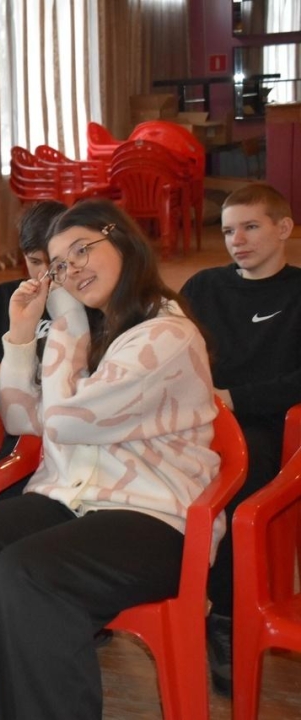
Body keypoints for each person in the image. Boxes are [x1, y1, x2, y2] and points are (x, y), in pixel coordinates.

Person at [0, 200, 221, 720]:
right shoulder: (93, 327)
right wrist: (19, 336)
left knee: (26, 574)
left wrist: (65, 323)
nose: (71, 268)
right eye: (58, 263)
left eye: (82, 250)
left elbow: (65, 422)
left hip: (153, 517)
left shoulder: (167, 334)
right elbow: (20, 419)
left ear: (121, 241)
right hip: (70, 498)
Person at [179, 182, 301, 696]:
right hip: (194, 419)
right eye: (229, 231)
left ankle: (225, 617)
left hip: (265, 425)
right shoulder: (203, 287)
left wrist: (234, 398)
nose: (237, 241)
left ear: (284, 228)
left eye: (251, 227)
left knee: (234, 482)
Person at [0, 200, 67, 370]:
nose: (45, 274)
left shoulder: (87, 303)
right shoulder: (1, 297)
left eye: (56, 262)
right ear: (23, 256)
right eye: (35, 262)